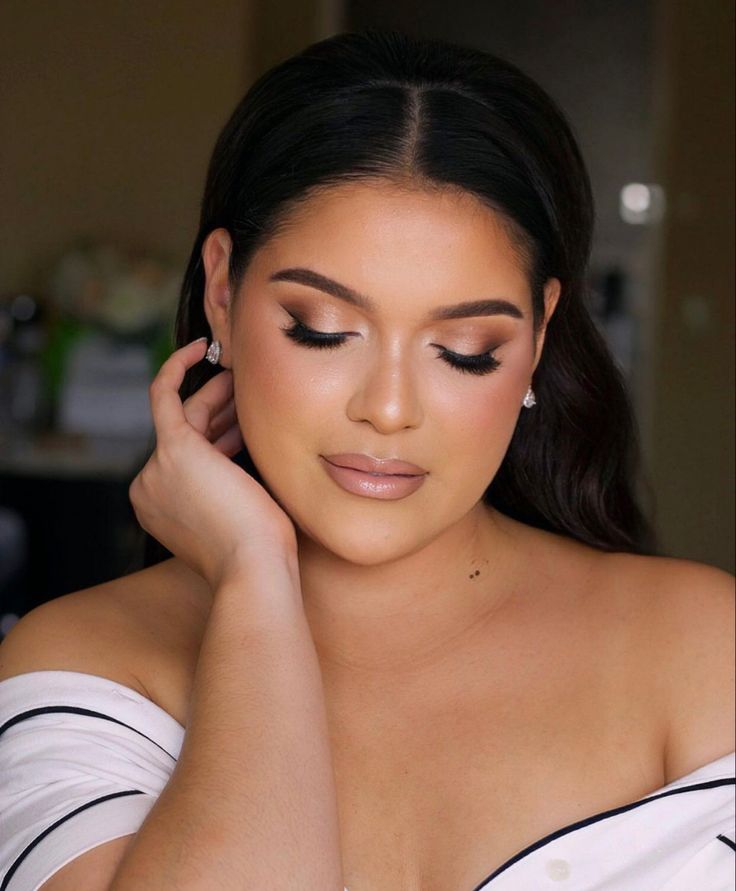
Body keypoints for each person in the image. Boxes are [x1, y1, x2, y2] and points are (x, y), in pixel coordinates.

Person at [0, 28, 733, 891]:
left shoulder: (704, 647)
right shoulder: (85, 663)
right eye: (323, 329)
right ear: (224, 293)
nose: (387, 408)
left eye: (464, 349)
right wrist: (253, 582)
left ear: (537, 336)